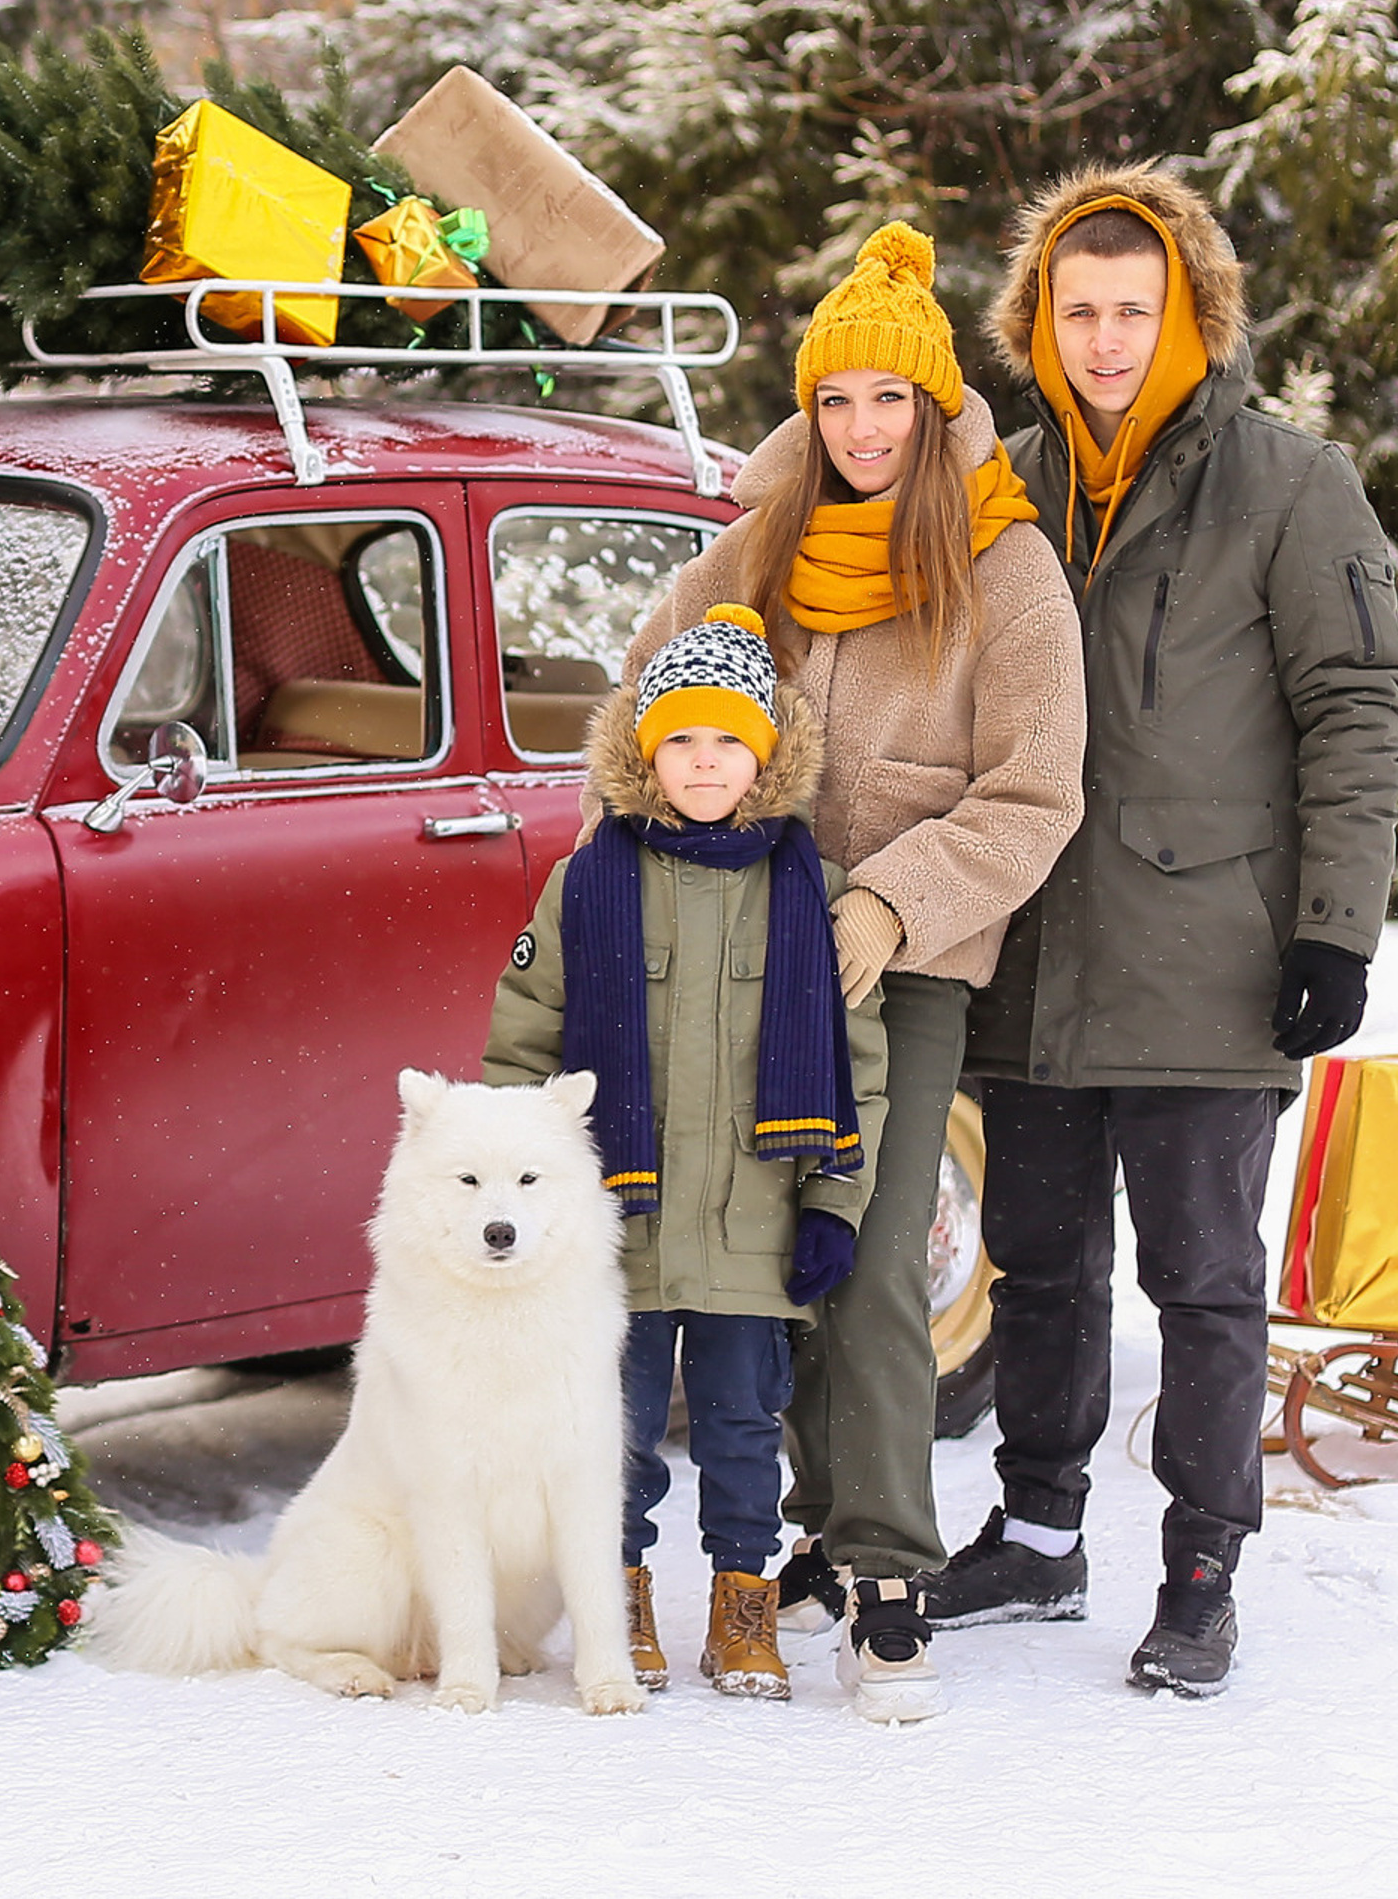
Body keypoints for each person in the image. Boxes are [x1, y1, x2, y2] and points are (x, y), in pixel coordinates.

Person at [928, 166, 1398, 1694]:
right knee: (1040, 1265)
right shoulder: (998, 480)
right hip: (1039, 954)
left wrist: (1336, 928)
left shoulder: (1290, 484)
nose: (1109, 340)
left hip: (1213, 953)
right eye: (1081, 311)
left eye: (1138, 310)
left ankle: (1202, 1568)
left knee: (1202, 1277)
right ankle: (1042, 1537)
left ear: (1190, 313)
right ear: (1037, 322)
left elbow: (1356, 712)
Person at [619, 223, 1086, 1720]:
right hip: (742, 958)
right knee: (769, 1259)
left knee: (875, 1253)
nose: (864, 430)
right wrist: (642, 880)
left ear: (938, 412)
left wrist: (892, 905)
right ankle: (816, 1525)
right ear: (807, 412)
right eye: (836, 403)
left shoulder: (1003, 568)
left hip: (905, 969)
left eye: (892, 402)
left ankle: (893, 1579)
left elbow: (1037, 792)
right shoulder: (754, 546)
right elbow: (642, 724)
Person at [486, 605, 887, 1704]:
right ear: (642, 752)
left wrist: (830, 1205)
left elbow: (861, 1066)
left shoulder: (818, 892)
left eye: (726, 743)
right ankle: (618, 1603)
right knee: (608, 1427)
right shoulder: (587, 884)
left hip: (753, 1223)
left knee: (741, 1426)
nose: (703, 764)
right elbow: (523, 1042)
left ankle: (742, 1605)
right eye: (680, 742)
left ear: (764, 755)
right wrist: (526, 1204)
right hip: (612, 1229)